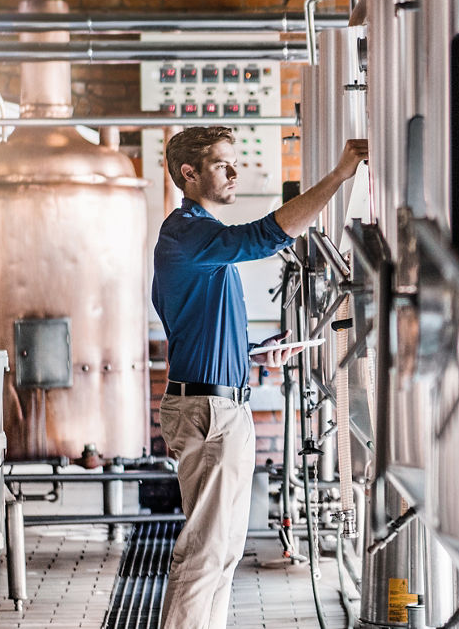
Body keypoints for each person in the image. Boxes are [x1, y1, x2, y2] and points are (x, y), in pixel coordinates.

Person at [152, 125, 368, 629]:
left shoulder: (200, 241)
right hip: (209, 413)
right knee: (205, 554)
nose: (234, 172)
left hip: (222, 403)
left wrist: (255, 351)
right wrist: (338, 176)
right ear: (190, 173)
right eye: (222, 164)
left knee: (223, 556)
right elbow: (264, 236)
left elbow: (195, 329)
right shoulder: (187, 231)